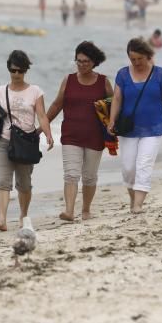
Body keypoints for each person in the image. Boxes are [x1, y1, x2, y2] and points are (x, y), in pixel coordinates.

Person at [107, 37, 162, 214]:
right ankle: (134, 199)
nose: (136, 62)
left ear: (148, 56)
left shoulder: (161, 74)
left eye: (139, 59)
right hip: (128, 129)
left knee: (144, 164)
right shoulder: (123, 74)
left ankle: (138, 205)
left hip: (153, 128)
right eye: (132, 59)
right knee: (128, 168)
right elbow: (117, 98)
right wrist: (111, 120)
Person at [46, 41, 114, 222]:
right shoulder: (68, 80)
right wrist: (43, 126)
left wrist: (115, 128)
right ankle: (69, 211)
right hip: (71, 135)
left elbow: (114, 107)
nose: (82, 64)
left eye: (86, 61)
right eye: (79, 61)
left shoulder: (103, 82)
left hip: (95, 136)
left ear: (94, 62)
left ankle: (85, 209)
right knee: (70, 173)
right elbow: (56, 104)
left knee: (90, 177)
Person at [0, 50, 53, 232]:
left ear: (26, 71)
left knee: (24, 184)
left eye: (20, 71)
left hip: (26, 142)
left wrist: (48, 134)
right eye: (13, 70)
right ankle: (2, 219)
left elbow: (41, 115)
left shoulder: (35, 91)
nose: (16, 74)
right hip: (4, 141)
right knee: (2, 182)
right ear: (8, 69)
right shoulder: (0, 91)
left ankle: (23, 215)